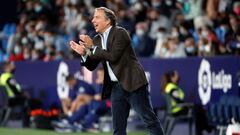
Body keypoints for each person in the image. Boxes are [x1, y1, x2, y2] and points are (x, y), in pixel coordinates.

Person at [69, 7, 164, 135]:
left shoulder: (120, 33)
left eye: (97, 17)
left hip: (133, 82)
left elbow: (113, 56)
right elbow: (92, 65)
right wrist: (84, 54)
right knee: (118, 128)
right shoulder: (96, 39)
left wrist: (92, 47)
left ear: (108, 21)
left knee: (149, 120)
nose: (92, 20)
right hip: (115, 87)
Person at [0, 61, 30, 126]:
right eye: (12, 65)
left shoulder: (4, 76)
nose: (14, 67)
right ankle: (26, 124)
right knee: (26, 102)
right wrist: (23, 94)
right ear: (7, 68)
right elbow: (14, 89)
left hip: (7, 99)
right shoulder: (8, 77)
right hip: (12, 98)